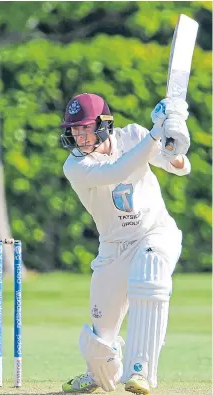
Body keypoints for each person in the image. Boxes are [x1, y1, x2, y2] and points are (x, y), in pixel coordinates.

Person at [59, 93, 191, 394]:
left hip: (154, 232)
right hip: (113, 246)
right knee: (97, 346)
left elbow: (180, 166)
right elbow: (116, 171)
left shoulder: (133, 135)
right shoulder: (75, 166)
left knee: (150, 267)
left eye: (85, 127)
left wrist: (173, 135)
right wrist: (156, 131)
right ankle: (101, 370)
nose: (79, 135)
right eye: (74, 129)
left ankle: (140, 371)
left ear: (105, 124)